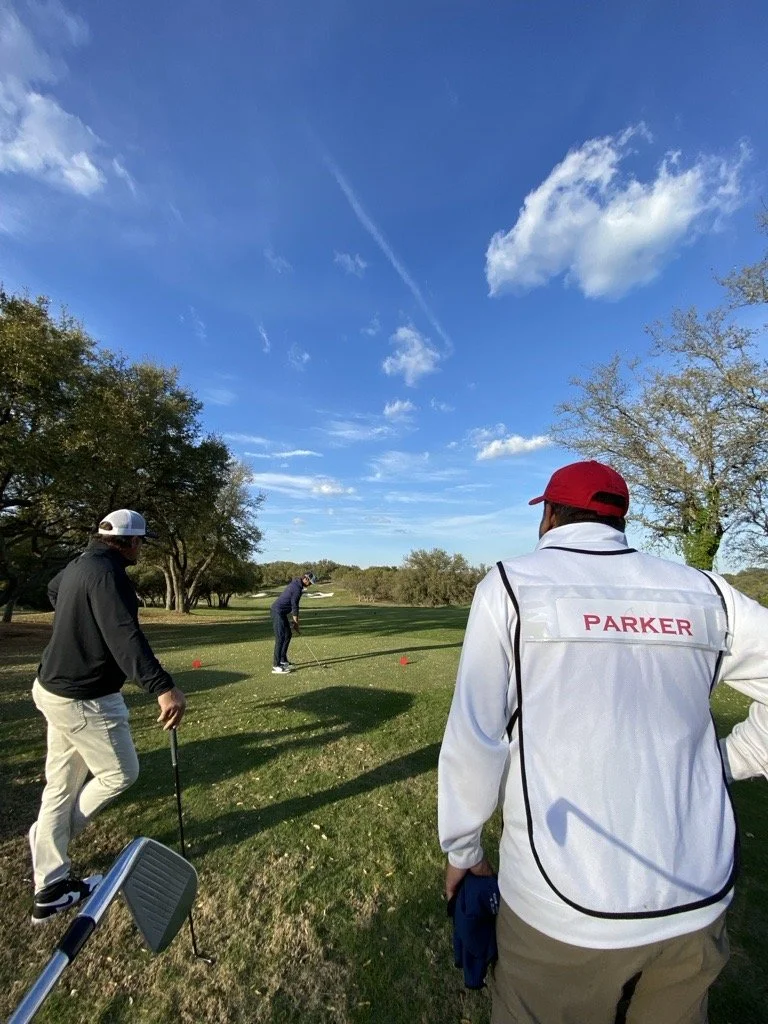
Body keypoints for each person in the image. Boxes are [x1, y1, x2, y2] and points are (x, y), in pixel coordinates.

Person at [438, 460, 768, 1024]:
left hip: (559, 909)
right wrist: (734, 759)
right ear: (621, 518)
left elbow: (476, 734)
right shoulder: (705, 590)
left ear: (548, 515)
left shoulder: (511, 584)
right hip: (697, 900)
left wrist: (463, 850)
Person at [29, 509, 187, 923]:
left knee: (61, 785)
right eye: (141, 542)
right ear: (132, 543)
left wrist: (79, 626)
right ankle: (49, 841)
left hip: (52, 689)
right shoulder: (110, 575)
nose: (140, 548)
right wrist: (162, 687)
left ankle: (51, 885)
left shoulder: (80, 564)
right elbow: (124, 635)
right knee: (121, 774)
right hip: (86, 699)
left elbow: (52, 590)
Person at [270, 571, 316, 673]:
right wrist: (296, 623)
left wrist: (294, 622)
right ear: (306, 579)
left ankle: (282, 660)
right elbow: (295, 606)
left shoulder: (297, 584)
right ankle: (276, 665)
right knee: (280, 637)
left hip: (282, 613)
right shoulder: (297, 588)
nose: (310, 585)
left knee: (287, 635)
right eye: (310, 582)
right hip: (277, 612)